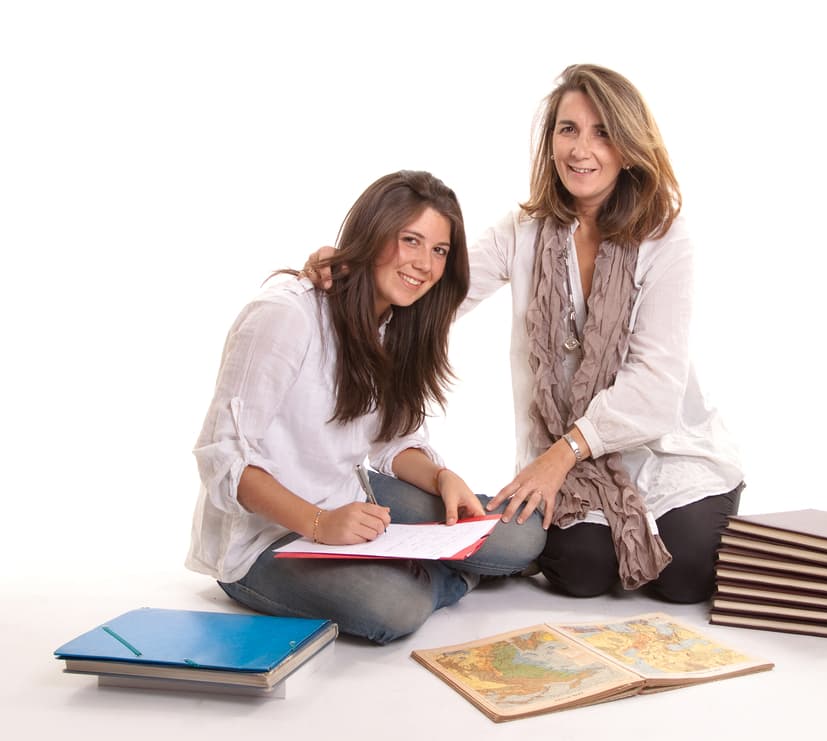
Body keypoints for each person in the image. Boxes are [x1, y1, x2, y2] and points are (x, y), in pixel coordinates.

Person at [305, 65, 744, 604]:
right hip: (570, 459)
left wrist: (559, 457)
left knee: (686, 576)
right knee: (580, 571)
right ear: (550, 140)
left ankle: (705, 503)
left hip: (662, 445)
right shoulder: (524, 231)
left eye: (602, 133)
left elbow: (654, 384)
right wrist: (353, 268)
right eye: (568, 129)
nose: (581, 150)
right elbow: (438, 289)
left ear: (630, 148)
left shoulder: (666, 238)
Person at [187, 170, 546, 645]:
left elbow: (392, 440)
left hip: (349, 500)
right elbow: (223, 460)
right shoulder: (286, 314)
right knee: (395, 608)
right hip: (263, 539)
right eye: (410, 240)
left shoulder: (397, 322)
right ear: (374, 233)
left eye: (439, 250)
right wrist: (319, 524)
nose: (424, 264)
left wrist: (441, 477)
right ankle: (435, 574)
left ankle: (411, 562)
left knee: (523, 537)